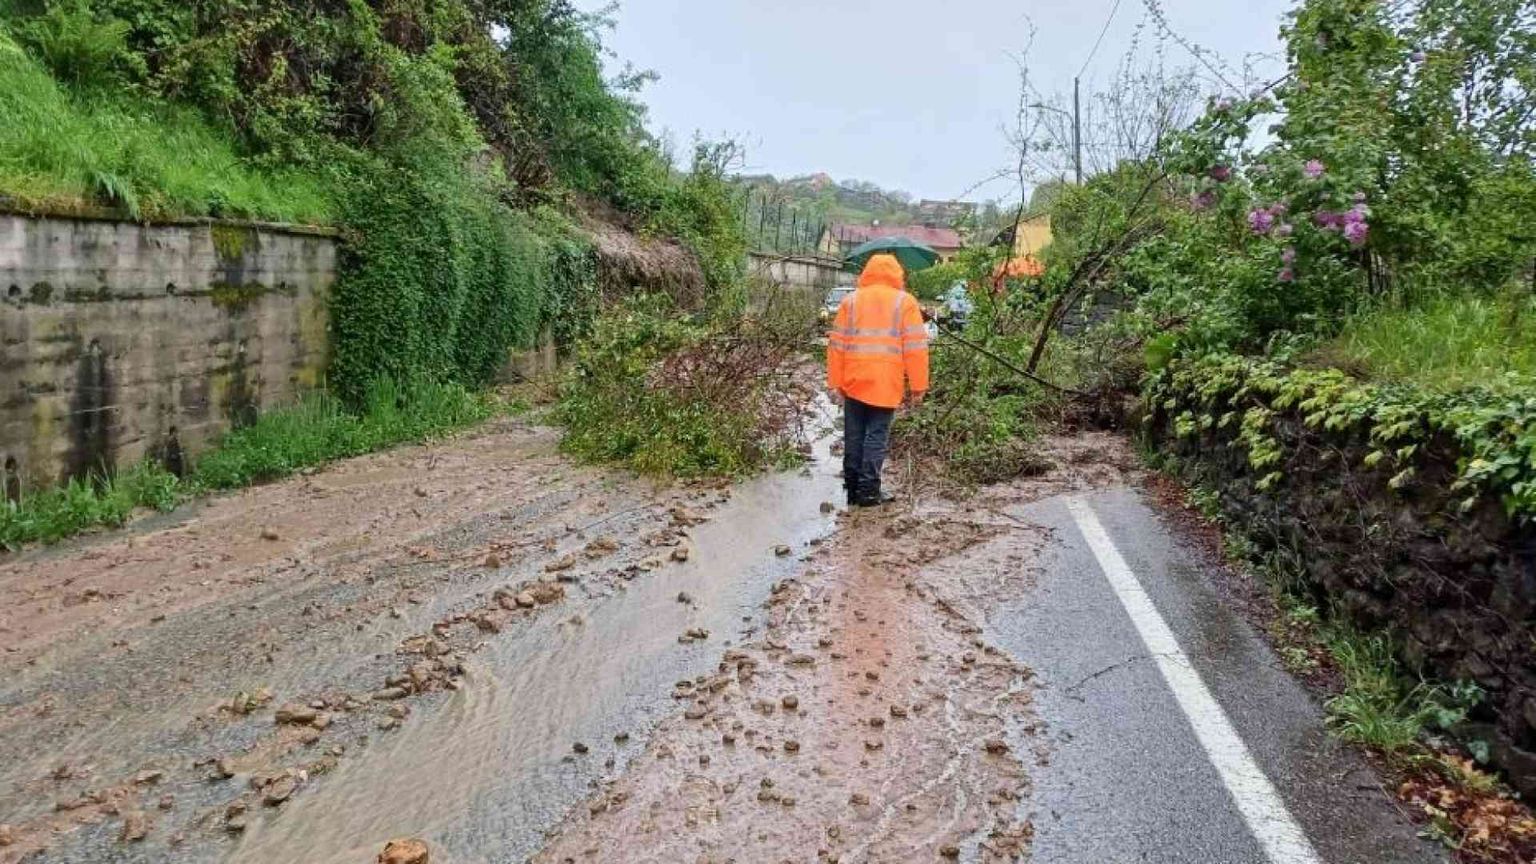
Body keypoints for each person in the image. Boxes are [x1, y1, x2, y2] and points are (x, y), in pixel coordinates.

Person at [826, 253, 930, 507]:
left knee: (854, 434)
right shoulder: (905, 302)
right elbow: (916, 348)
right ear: (897, 275)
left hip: (853, 380)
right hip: (885, 383)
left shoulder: (850, 302)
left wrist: (835, 382)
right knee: (876, 436)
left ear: (867, 273)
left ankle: (852, 488)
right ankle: (870, 490)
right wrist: (918, 386)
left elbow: (836, 345)